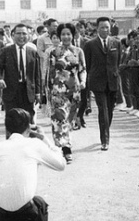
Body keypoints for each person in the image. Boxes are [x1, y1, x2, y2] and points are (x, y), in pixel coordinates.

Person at [47, 23, 86, 163]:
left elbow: (82, 69)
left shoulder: (78, 51)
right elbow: (50, 72)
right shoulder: (54, 52)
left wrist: (83, 81)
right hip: (58, 90)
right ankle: (63, 148)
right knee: (58, 119)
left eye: (68, 34)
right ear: (59, 36)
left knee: (69, 120)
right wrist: (48, 90)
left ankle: (65, 143)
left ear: (73, 35)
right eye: (63, 34)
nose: (66, 37)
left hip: (74, 90)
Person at [84, 17, 122, 151]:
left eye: (107, 27)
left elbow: (118, 63)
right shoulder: (90, 44)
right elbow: (88, 65)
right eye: (102, 27)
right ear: (97, 29)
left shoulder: (116, 43)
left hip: (112, 81)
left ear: (110, 28)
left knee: (110, 110)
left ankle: (105, 129)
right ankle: (104, 140)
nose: (105, 30)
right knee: (103, 109)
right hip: (97, 82)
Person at [0, 23, 41, 121]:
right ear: (13, 35)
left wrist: (38, 92)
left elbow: (37, 74)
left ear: (28, 36)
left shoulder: (33, 52)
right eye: (18, 34)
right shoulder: (6, 51)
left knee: (27, 121)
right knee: (13, 121)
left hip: (28, 92)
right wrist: (0, 79)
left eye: (24, 34)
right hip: (11, 92)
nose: (21, 36)